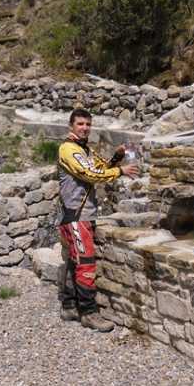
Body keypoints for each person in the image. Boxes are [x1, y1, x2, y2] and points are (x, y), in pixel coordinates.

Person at [56, 108, 140, 331]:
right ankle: (89, 313)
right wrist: (120, 172)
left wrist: (117, 157)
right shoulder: (68, 149)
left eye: (88, 124)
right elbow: (90, 175)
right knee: (85, 263)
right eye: (80, 124)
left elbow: (101, 168)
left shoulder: (85, 149)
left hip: (80, 215)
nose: (85, 128)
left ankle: (69, 306)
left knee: (74, 261)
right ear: (71, 126)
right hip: (76, 216)